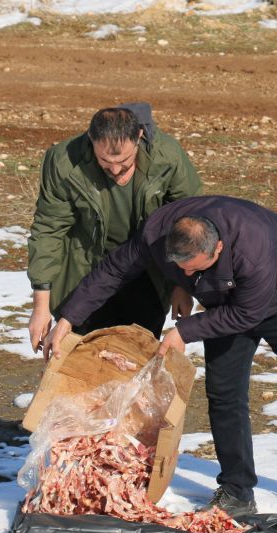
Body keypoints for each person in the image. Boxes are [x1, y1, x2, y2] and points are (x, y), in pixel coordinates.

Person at [43, 195, 277, 532]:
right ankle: (236, 490)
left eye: (193, 268)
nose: (186, 273)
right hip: (225, 302)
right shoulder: (158, 232)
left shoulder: (253, 248)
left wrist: (184, 332)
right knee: (224, 394)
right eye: (180, 267)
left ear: (217, 249)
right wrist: (68, 319)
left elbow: (247, 313)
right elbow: (114, 270)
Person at [27, 103, 201, 352]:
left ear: (139, 136)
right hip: (85, 268)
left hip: (147, 270)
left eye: (125, 161)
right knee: (84, 352)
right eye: (105, 163)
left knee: (135, 352)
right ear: (91, 140)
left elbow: (189, 223)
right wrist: (40, 307)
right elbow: (48, 229)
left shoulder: (167, 156)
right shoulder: (64, 160)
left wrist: (181, 286)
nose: (116, 171)